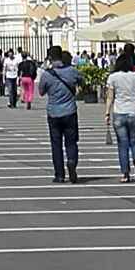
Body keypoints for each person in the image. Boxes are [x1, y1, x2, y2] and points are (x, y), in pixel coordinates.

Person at [37, 46, 85, 183]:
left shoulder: (47, 74)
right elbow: (83, 81)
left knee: (56, 144)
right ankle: (71, 161)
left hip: (53, 112)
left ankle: (59, 174)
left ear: (50, 58)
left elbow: (41, 92)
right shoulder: (72, 71)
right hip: (70, 111)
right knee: (71, 142)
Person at [106, 50, 135, 182]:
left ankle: (125, 173)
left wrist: (107, 112)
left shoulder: (112, 77)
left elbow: (110, 97)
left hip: (119, 112)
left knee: (122, 144)